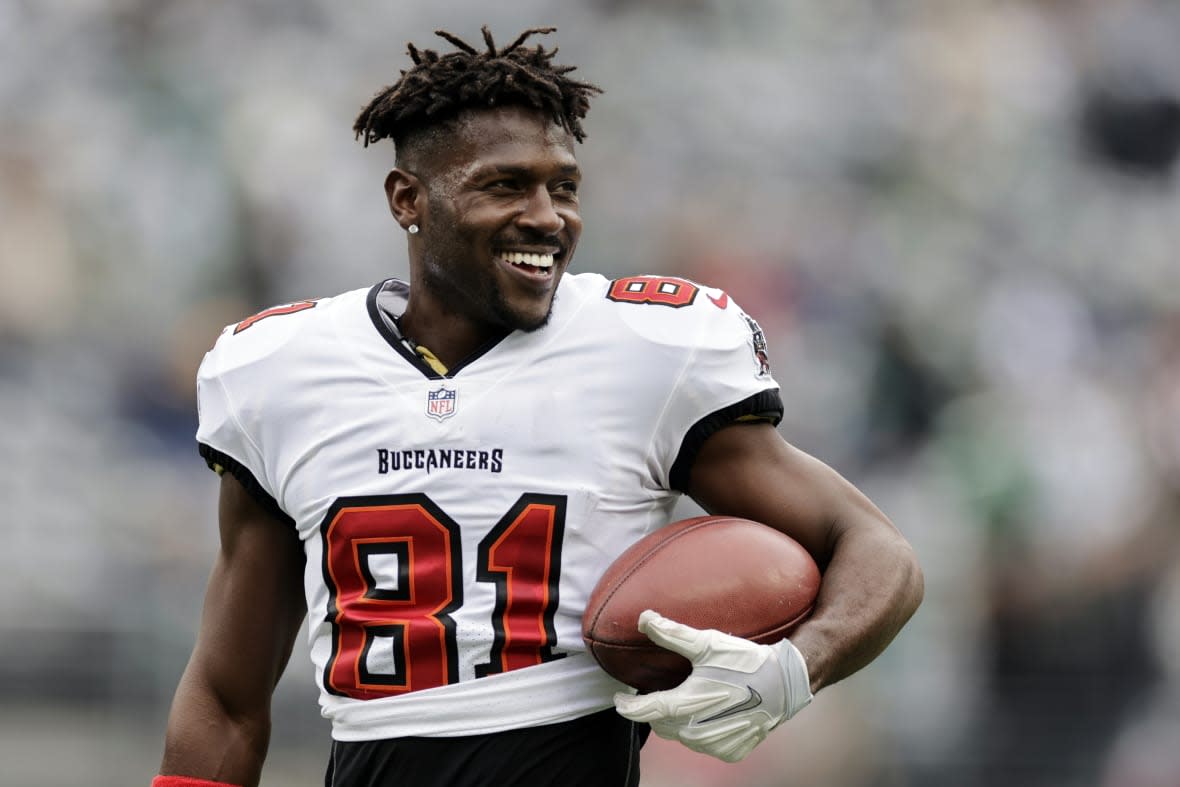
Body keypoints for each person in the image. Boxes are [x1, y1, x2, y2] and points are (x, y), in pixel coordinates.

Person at [155, 26, 923, 787]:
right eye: (505, 185)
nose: (550, 217)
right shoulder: (284, 372)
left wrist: (794, 668)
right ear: (407, 199)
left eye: (564, 186)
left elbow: (877, 551)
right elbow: (227, 700)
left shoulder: (645, 354)